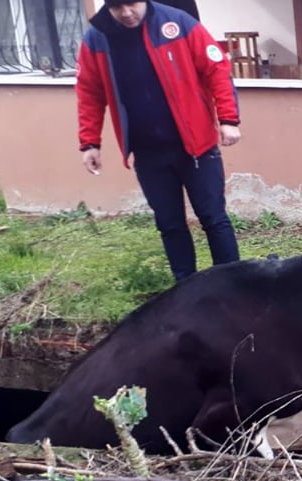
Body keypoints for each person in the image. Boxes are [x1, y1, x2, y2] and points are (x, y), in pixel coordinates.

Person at [76, 0, 241, 282]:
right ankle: (184, 288)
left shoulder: (177, 24)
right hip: (148, 153)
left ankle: (233, 285)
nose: (127, 13)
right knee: (169, 224)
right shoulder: (97, 37)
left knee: (214, 219)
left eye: (132, 4)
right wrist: (89, 142)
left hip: (196, 148)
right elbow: (89, 91)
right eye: (118, 7)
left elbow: (217, 69)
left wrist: (228, 120)